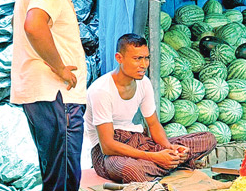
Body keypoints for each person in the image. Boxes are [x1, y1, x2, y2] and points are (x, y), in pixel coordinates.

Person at [11, 0, 99, 191]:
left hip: (50, 95)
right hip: (56, 95)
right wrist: (60, 68)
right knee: (63, 177)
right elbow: (34, 25)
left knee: (57, 171)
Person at [87, 34, 217, 183]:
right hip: (110, 155)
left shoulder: (144, 83)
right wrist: (155, 157)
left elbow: (153, 124)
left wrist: (169, 148)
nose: (144, 64)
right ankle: (170, 166)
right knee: (131, 170)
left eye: (146, 58)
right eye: (137, 59)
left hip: (140, 143)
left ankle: (163, 165)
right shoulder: (101, 90)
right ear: (119, 58)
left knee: (208, 139)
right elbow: (108, 146)